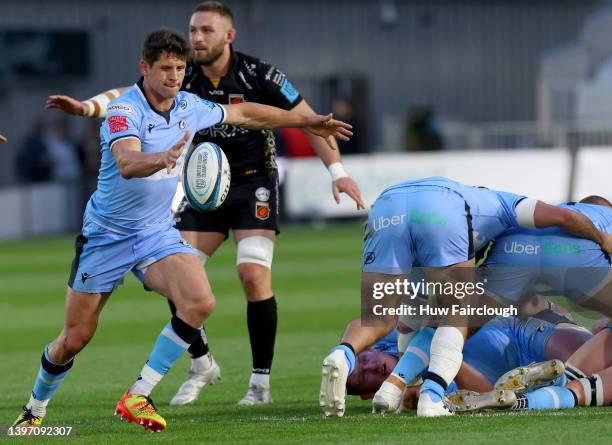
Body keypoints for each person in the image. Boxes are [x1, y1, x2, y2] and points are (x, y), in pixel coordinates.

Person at [11, 28, 352, 433]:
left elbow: (245, 114)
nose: (174, 76)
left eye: (179, 68)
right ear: (145, 68)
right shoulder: (125, 111)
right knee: (74, 337)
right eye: (166, 69)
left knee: (200, 301)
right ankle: (34, 409)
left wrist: (305, 121)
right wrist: (162, 158)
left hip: (155, 233)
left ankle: (139, 393)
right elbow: (127, 162)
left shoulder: (189, 105)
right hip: (106, 236)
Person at [319, 176, 612, 418]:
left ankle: (345, 354)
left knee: (411, 317)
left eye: (363, 361)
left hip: (523, 328)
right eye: (362, 376)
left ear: (365, 351)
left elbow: (408, 312)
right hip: (450, 217)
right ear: (366, 393)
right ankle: (533, 392)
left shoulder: (388, 340)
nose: (370, 366)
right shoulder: (499, 205)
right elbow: (483, 388)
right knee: (454, 316)